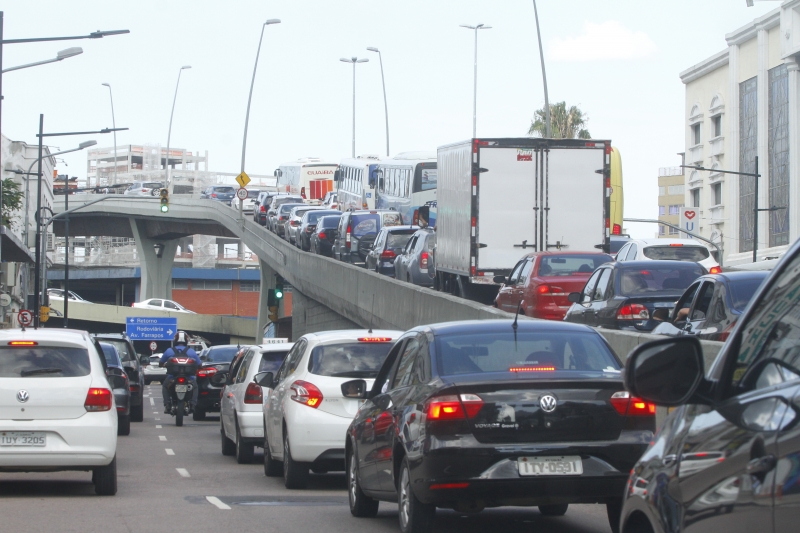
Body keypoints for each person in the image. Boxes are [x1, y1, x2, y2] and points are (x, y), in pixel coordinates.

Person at [159, 331, 201, 413]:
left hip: (172, 377)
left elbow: (161, 363)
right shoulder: (191, 352)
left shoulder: (169, 351)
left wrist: (165, 365)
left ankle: (167, 404)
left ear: (175, 340)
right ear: (186, 341)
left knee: (165, 386)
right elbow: (199, 365)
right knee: (195, 387)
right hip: (189, 378)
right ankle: (193, 404)